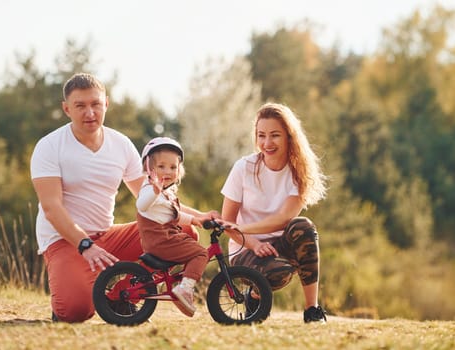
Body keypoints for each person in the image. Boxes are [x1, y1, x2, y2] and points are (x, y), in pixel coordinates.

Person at [30, 73, 199, 323]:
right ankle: (88, 289)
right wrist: (85, 245)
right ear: (66, 109)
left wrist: (203, 217)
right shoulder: (50, 146)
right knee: (74, 311)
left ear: (106, 104)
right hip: (66, 241)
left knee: (185, 231)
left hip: (108, 236)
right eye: (80, 106)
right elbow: (51, 208)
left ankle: (128, 293)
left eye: (96, 104)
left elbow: (156, 198)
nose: (90, 113)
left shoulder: (120, 144)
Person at [220, 102, 328, 323]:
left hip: (280, 246)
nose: (267, 143)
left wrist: (241, 227)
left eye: (275, 135)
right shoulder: (243, 168)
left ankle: (312, 311)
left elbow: (283, 220)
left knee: (304, 226)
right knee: (277, 273)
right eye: (261, 135)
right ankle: (256, 297)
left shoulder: (299, 172)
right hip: (244, 248)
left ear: (289, 136)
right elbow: (227, 222)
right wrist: (252, 242)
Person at [136, 137, 218, 317]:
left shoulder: (166, 193)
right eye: (161, 166)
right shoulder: (150, 189)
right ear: (149, 169)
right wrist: (155, 191)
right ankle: (185, 288)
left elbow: (173, 215)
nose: (168, 171)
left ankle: (177, 284)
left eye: (173, 167)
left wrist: (195, 220)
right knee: (200, 253)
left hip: (163, 238)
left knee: (191, 247)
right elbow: (141, 205)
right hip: (161, 240)